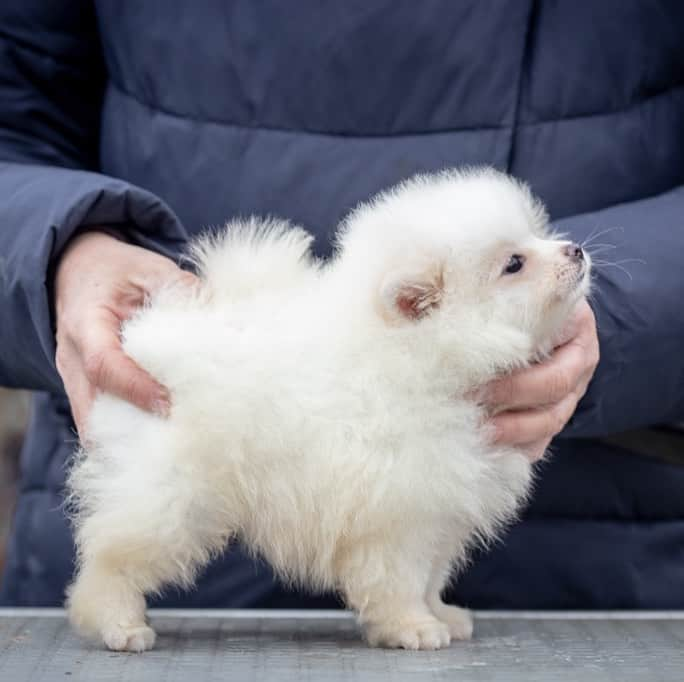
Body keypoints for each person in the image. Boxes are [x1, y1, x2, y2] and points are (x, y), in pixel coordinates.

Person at [0, 2, 682, 608]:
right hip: (171, 385)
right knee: (174, 505)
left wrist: (623, 318)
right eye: (514, 263)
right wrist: (61, 249)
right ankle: (111, 587)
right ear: (420, 305)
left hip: (613, 556)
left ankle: (413, 599)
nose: (564, 249)